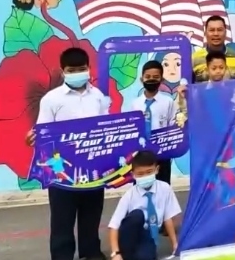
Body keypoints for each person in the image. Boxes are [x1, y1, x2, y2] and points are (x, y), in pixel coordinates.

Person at [26, 47, 111, 260]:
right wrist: (33, 138)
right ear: (63, 71)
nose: (77, 73)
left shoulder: (99, 97)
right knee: (62, 219)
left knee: (91, 215)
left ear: (89, 68)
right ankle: (62, 255)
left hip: (92, 168)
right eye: (71, 70)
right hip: (61, 170)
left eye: (81, 69)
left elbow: (106, 127)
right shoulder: (51, 99)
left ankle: (91, 252)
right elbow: (43, 132)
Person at [108, 150, 182, 260]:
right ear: (133, 175)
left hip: (148, 237)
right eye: (140, 174)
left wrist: (175, 245)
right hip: (130, 235)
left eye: (149, 172)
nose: (145, 176)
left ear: (157, 170)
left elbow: (168, 218)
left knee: (146, 256)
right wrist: (115, 253)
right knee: (137, 215)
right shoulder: (129, 195)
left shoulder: (165, 189)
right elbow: (113, 226)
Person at [132, 60, 179, 185]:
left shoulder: (168, 102)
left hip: (162, 154)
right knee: (140, 187)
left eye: (155, 77)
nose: (151, 80)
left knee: (162, 186)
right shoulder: (135, 104)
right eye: (148, 77)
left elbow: (173, 126)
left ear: (162, 80)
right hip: (141, 154)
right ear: (141, 79)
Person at [192, 15, 235, 82]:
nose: (216, 34)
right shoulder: (195, 58)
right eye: (212, 30)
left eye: (219, 30)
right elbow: (188, 84)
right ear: (205, 33)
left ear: (225, 33)